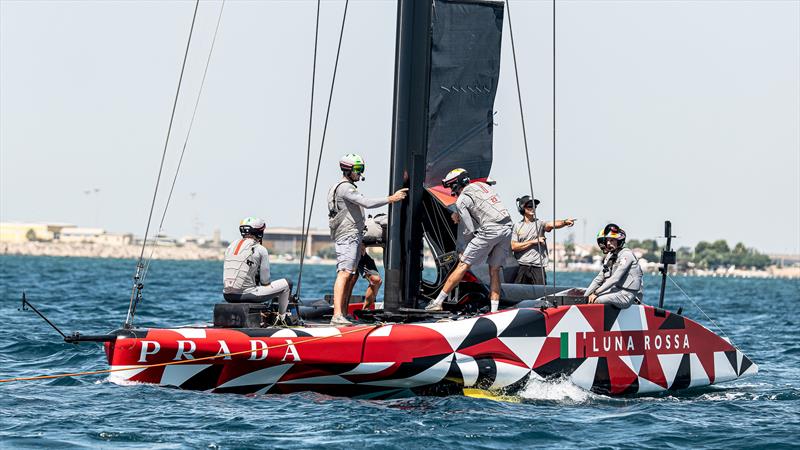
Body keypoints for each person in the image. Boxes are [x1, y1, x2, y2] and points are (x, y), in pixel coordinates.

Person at [328, 153, 407, 326]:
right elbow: (366, 203)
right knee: (344, 274)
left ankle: (342, 312)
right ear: (348, 170)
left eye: (361, 169)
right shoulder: (345, 188)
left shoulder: (344, 186)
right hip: (348, 236)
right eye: (358, 169)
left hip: (353, 237)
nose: (360, 173)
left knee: (350, 275)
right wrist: (391, 199)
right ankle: (337, 315)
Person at [426, 168, 512, 313]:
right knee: (494, 270)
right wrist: (458, 212)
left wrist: (464, 249)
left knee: (462, 265)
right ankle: (494, 311)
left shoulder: (461, 200)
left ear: (455, 184)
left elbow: (468, 229)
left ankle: (438, 302)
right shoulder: (482, 186)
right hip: (508, 228)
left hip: (490, 230)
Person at [222, 217, 293, 320]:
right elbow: (265, 281)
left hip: (227, 295)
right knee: (287, 283)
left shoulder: (230, 246)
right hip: (247, 295)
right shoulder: (260, 249)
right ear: (259, 232)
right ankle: (282, 318)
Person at [511, 195, 576, 285]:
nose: (533, 208)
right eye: (530, 206)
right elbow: (513, 246)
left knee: (541, 294)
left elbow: (552, 224)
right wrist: (533, 241)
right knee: (517, 292)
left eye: (535, 206)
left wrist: (564, 222)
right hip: (521, 266)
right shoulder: (516, 226)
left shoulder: (540, 224)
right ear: (522, 208)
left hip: (538, 267)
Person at [585, 223, 644, 308]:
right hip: (616, 291)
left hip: (627, 296)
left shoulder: (627, 255)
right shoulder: (610, 256)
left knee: (596, 300)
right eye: (607, 240)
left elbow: (615, 279)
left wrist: (595, 293)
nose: (608, 243)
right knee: (588, 299)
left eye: (612, 240)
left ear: (619, 241)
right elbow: (599, 279)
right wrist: (584, 296)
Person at [343, 244, 382, 310]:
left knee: (376, 280)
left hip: (362, 254)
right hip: (351, 252)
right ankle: (343, 313)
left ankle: (365, 310)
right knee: (350, 280)